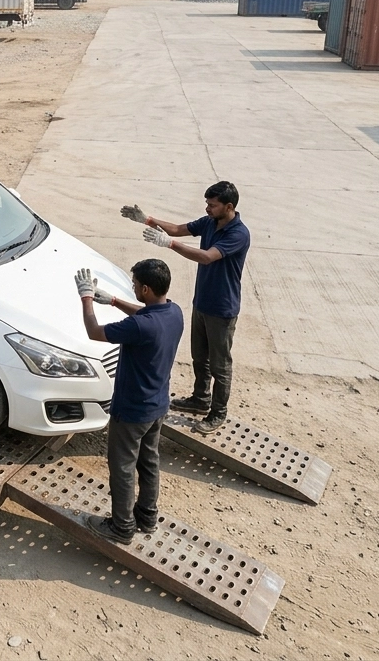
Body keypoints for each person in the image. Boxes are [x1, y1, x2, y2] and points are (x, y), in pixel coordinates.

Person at [120, 181, 251, 435]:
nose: (207, 208)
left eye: (212, 205)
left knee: (220, 365)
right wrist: (147, 220)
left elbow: (207, 257)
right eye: (207, 204)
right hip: (202, 302)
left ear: (229, 206)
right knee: (199, 357)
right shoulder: (210, 222)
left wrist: (169, 244)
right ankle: (200, 399)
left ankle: (218, 412)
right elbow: (180, 229)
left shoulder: (238, 234)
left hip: (222, 310)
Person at [75, 259, 183, 545]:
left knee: (122, 467)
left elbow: (94, 331)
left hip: (133, 410)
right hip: (158, 406)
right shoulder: (174, 312)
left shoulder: (140, 326)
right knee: (149, 462)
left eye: (135, 285)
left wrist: (87, 298)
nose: (133, 288)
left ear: (146, 289)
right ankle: (147, 517)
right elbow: (146, 314)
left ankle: (122, 527)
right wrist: (113, 301)